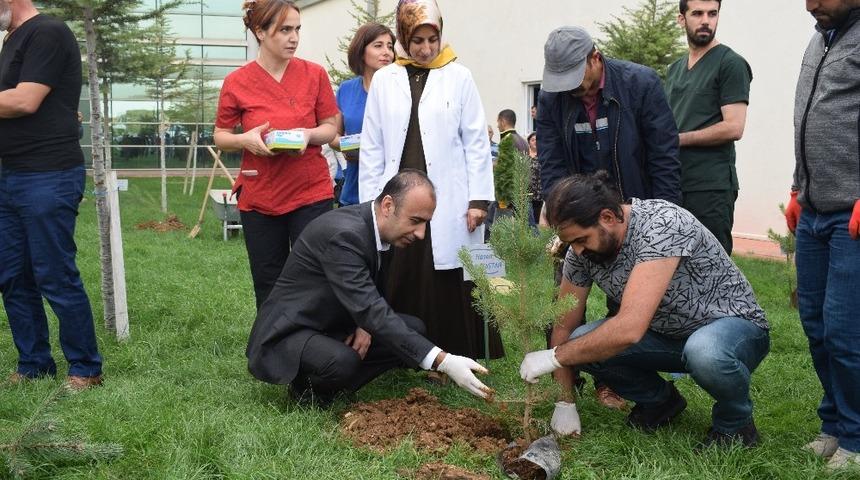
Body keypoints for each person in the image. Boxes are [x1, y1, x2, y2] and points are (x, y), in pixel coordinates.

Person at [520, 171, 770, 447]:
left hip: (733, 329)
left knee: (705, 351)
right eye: (571, 243)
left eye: (581, 240)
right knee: (580, 341)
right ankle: (661, 402)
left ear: (608, 217)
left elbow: (629, 328)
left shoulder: (662, 224)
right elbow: (563, 326)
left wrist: (555, 357)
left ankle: (735, 425)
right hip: (668, 336)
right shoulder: (581, 255)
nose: (577, 251)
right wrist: (564, 402)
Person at [246, 170, 492, 405]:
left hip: (332, 322)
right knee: (342, 362)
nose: (420, 234)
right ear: (388, 206)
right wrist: (443, 361)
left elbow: (371, 296)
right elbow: (370, 308)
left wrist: (365, 325)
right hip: (293, 330)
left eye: (425, 223)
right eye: (415, 221)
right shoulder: (343, 236)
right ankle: (306, 388)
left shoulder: (378, 229)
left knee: (414, 328)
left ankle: (338, 384)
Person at [359, 0, 502, 360]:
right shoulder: (385, 79)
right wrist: (369, 204)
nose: (425, 49)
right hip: (397, 196)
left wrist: (478, 200)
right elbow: (373, 146)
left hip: (449, 198)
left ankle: (454, 351)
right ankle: (400, 354)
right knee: (401, 267)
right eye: (417, 40)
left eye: (432, 39)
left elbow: (475, 142)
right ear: (403, 37)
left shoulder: (460, 76)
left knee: (446, 269)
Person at [0, 0, 103, 389]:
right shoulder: (11, 39)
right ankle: (34, 364)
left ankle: (85, 368)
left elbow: (24, 100)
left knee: (54, 273)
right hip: (10, 174)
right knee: (12, 275)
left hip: (48, 174)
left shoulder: (48, 31)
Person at [215, 0, 339, 309]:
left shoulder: (314, 74)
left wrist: (308, 135)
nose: (294, 38)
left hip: (310, 191)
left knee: (315, 276)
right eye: (285, 30)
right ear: (260, 31)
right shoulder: (237, 82)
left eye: (297, 29)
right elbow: (221, 136)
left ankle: (315, 336)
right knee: (268, 281)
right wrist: (246, 140)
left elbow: (330, 127)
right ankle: (272, 338)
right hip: (261, 194)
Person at [786, 0, 860, 470]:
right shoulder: (821, 37)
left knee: (844, 331)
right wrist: (797, 188)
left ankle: (856, 437)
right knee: (815, 324)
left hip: (852, 213)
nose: (812, 5)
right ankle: (833, 423)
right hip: (813, 211)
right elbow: (807, 118)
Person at [537, 26, 680, 208]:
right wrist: (559, 211)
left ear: (595, 58)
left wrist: (665, 215)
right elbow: (551, 165)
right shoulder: (550, 100)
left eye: (573, 76)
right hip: (582, 214)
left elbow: (663, 158)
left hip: (640, 208)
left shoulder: (641, 84)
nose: (567, 85)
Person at [664, 0, 752, 255]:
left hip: (710, 187)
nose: (706, 20)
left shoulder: (730, 63)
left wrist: (678, 139)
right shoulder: (675, 69)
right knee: (674, 264)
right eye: (697, 13)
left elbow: (734, 127)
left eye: (712, 14)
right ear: (682, 19)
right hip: (675, 183)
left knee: (711, 264)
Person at [330, 22, 394, 207]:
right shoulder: (346, 90)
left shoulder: (401, 91)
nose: (386, 52)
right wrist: (349, 147)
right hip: (353, 191)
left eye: (390, 47)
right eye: (378, 45)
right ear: (361, 51)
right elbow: (333, 135)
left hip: (392, 194)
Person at [527, 132, 542, 222]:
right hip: (527, 192)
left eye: (537, 140)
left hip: (539, 192)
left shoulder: (543, 155)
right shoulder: (524, 155)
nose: (535, 142)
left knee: (537, 218)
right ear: (529, 142)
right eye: (533, 140)